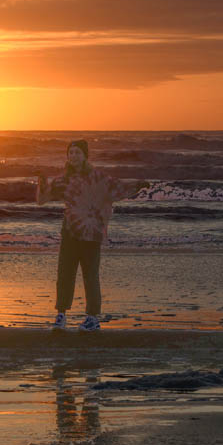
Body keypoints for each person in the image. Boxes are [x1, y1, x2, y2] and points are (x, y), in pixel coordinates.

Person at [36, 139, 149, 331]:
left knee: (90, 275)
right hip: (70, 230)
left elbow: (117, 188)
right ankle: (61, 314)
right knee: (64, 274)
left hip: (92, 232)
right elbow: (42, 199)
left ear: (85, 156)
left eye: (77, 152)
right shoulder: (64, 180)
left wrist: (137, 185)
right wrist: (42, 182)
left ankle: (93, 318)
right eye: (70, 153)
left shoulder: (98, 178)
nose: (73, 156)